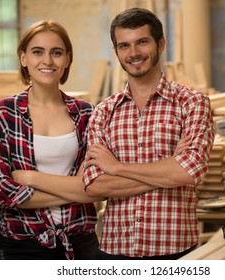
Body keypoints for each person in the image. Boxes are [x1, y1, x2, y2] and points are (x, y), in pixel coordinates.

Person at [82, 8, 215, 260]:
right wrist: (168, 169)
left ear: (161, 44)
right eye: (124, 46)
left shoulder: (192, 103)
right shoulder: (103, 111)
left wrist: (117, 168)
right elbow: (94, 186)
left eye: (142, 42)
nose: (133, 53)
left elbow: (190, 170)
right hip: (114, 251)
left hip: (175, 252)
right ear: (116, 52)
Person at [0, 19, 99, 260]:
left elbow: (98, 186)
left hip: (80, 242)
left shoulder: (87, 114)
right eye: (38, 52)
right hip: (23, 244)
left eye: (56, 53)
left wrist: (31, 178)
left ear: (67, 60)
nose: (47, 61)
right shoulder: (4, 113)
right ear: (24, 58)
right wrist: (77, 191)